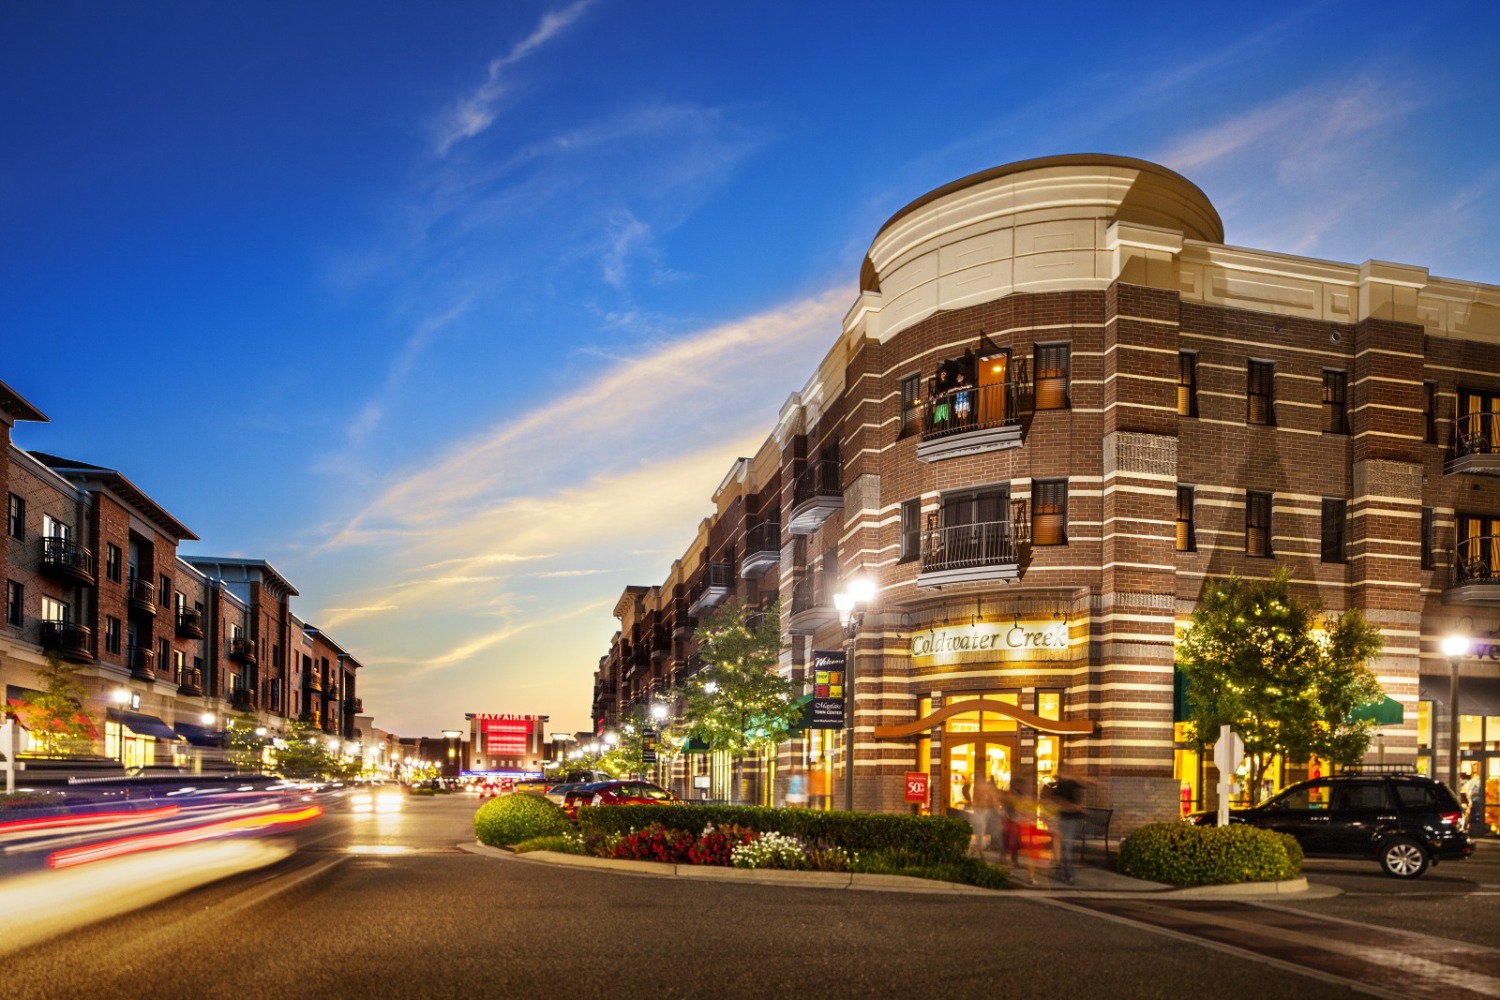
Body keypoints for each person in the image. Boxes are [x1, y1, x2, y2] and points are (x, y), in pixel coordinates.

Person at [1049, 765, 1089, 885]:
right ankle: (1065, 871)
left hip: (1069, 820)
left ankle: (1067, 873)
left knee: (1065, 846)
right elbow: (1061, 803)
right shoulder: (1058, 786)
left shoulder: (1071, 784)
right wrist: (1077, 808)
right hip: (1063, 819)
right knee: (1063, 846)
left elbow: (1085, 783)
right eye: (1064, 771)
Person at [969, 775, 1001, 857]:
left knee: (984, 828)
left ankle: (984, 845)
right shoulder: (987, 791)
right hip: (985, 810)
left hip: (986, 810)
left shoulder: (983, 791)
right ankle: (985, 845)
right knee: (984, 827)